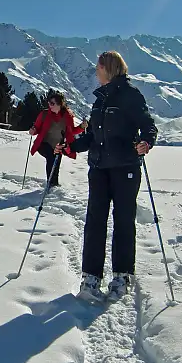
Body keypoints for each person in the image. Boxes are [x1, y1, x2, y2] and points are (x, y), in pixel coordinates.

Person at [55, 50, 158, 301]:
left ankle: (122, 276)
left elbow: (148, 125)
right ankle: (91, 277)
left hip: (125, 168)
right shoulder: (99, 100)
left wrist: (146, 141)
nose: (95, 71)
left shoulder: (131, 96)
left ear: (108, 68)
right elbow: (92, 137)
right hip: (99, 168)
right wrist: (70, 146)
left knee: (123, 221)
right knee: (94, 221)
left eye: (98, 67)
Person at [28, 92, 87, 187]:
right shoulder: (44, 114)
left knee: (56, 162)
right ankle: (51, 184)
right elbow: (36, 128)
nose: (49, 105)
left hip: (59, 145)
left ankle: (54, 185)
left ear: (60, 104)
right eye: (49, 103)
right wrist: (33, 130)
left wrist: (81, 127)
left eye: (52, 103)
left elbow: (71, 131)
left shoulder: (67, 116)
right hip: (44, 144)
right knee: (51, 157)